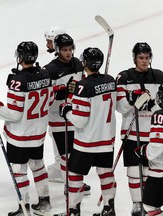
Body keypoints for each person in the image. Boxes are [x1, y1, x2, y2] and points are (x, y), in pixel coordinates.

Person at [0, 41, 54, 216]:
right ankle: (45, 202)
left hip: (20, 135)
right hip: (38, 133)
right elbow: (50, 100)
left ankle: (24, 207)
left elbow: (14, 114)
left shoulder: (18, 81)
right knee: (38, 166)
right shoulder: (45, 74)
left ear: (20, 57)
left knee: (19, 170)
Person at [58, 47, 117, 216]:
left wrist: (67, 111)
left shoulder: (83, 86)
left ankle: (74, 211)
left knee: (75, 174)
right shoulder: (111, 80)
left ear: (85, 63)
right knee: (105, 173)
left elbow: (80, 120)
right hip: (106, 140)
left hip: (87, 142)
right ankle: (109, 208)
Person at [116, 42, 163, 215]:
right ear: (134, 58)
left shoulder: (159, 76)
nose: (144, 61)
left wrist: (151, 105)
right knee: (134, 171)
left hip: (153, 132)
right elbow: (120, 108)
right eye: (140, 58)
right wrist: (131, 99)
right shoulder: (124, 77)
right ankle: (136, 203)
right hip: (131, 131)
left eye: (147, 57)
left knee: (151, 171)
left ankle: (148, 203)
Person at [43, 33, 91, 195]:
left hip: (75, 117)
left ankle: (76, 183)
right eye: (64, 50)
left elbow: (82, 84)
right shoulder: (50, 69)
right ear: (57, 50)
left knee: (76, 155)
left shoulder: (78, 63)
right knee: (66, 156)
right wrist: (60, 91)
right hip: (57, 119)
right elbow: (46, 98)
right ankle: (68, 185)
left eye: (70, 49)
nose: (69, 52)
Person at [134, 84, 163, 216]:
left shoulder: (159, 116)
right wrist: (151, 105)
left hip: (159, 172)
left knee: (150, 206)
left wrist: (143, 150)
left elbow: (157, 147)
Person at [44, 26, 67, 183]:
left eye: (49, 42)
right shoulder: (75, 62)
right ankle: (61, 165)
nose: (47, 46)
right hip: (70, 112)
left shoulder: (52, 68)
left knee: (60, 139)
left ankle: (62, 169)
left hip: (58, 113)